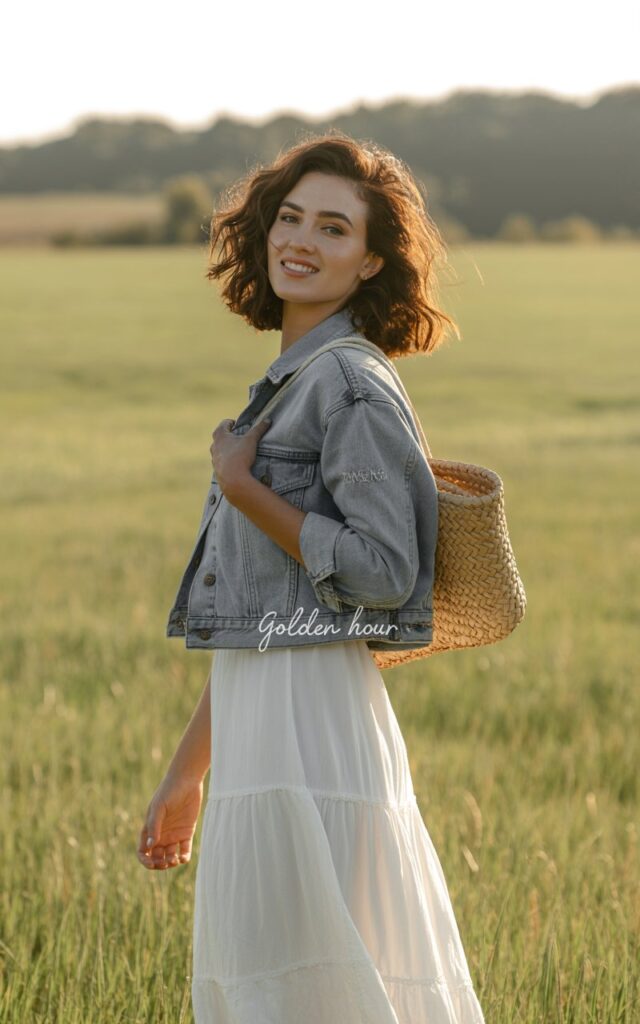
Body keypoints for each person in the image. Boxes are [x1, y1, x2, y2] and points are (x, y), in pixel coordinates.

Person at [137, 131, 486, 1023]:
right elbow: (263, 617)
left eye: (333, 228)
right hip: (266, 726)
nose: (300, 240)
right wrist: (187, 774)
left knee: (318, 990)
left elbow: (383, 570)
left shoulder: (350, 384)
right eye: (290, 218)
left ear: (370, 261)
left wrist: (244, 490)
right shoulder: (291, 380)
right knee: (280, 986)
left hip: (314, 732)